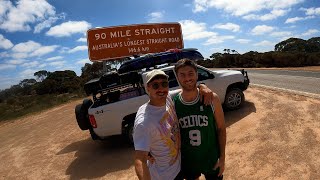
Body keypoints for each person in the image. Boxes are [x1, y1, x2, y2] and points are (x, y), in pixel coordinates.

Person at [133, 69, 213, 180]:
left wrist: (202, 86)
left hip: (179, 166)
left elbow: (188, 88)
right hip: (165, 176)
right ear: (148, 88)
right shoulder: (145, 121)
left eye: (164, 84)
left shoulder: (168, 98)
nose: (161, 89)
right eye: (155, 85)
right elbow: (140, 160)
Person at [173, 59, 226, 180]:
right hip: (188, 162)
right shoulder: (173, 103)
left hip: (212, 159)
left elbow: (221, 129)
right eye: (182, 75)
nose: (187, 78)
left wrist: (222, 158)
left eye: (191, 73)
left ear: (197, 74)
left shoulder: (212, 99)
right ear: (177, 77)